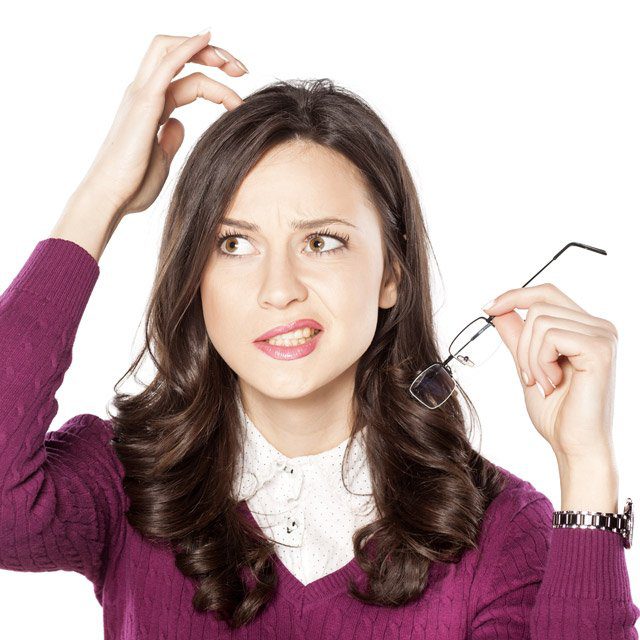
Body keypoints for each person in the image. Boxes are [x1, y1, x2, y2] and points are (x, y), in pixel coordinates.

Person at [0, 28, 638, 638]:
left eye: (322, 241)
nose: (279, 289)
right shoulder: (125, 481)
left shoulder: (499, 530)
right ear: (195, 274)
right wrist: (102, 195)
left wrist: (586, 466)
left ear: (391, 273)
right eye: (234, 244)